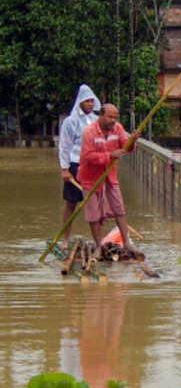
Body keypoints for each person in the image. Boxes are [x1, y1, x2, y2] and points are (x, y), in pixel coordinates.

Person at [78, 103, 141, 258]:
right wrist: (110, 156)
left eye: (115, 117)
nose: (113, 120)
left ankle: (126, 242)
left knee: (119, 208)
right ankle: (99, 245)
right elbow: (87, 156)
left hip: (110, 177)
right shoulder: (89, 132)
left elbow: (126, 148)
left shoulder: (117, 129)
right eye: (109, 117)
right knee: (93, 214)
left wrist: (132, 141)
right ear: (100, 116)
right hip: (90, 178)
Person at [58, 84, 101, 251]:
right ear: (81, 102)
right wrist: (65, 168)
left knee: (93, 204)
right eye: (87, 101)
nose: (90, 104)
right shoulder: (71, 121)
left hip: (91, 166)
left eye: (92, 101)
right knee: (71, 204)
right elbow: (65, 146)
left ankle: (98, 242)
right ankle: (65, 239)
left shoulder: (95, 121)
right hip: (75, 165)